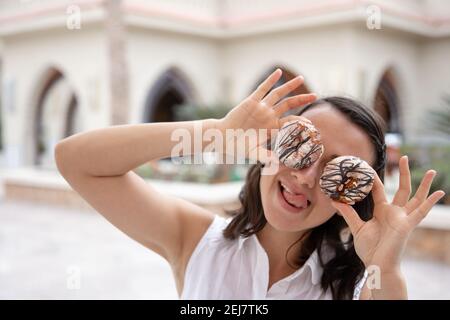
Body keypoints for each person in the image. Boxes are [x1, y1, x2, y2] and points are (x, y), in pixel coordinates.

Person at [55, 69, 445, 300]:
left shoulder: (359, 287)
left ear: (353, 198)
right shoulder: (195, 241)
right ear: (271, 144)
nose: (306, 177)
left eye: (337, 173)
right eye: (300, 146)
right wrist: (214, 132)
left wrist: (385, 268)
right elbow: (76, 162)